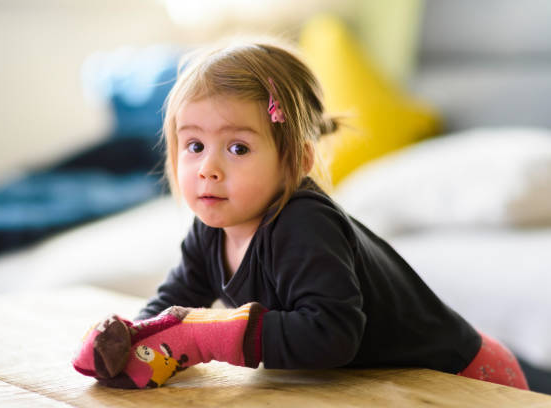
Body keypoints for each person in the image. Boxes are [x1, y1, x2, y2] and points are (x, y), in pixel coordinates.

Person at [72, 40, 529, 390]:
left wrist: (208, 335)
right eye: (194, 146)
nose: (208, 168)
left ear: (296, 161)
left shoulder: (304, 225)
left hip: (465, 375)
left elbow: (332, 334)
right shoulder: (211, 228)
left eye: (238, 148)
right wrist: (137, 339)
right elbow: (177, 301)